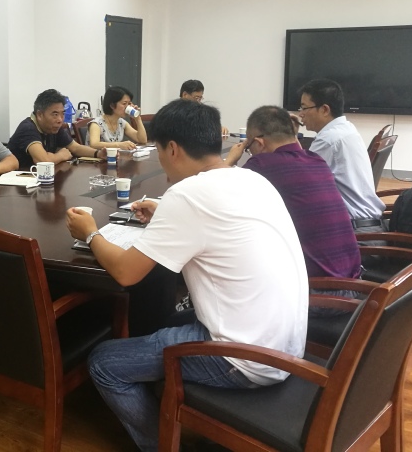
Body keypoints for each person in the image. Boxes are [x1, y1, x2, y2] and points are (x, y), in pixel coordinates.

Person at [66, 100, 307, 452]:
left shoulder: (187, 195)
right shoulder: (251, 178)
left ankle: (162, 445)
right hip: (285, 344)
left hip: (243, 359)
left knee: (104, 363)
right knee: (159, 322)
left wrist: (90, 233)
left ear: (173, 149)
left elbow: (125, 273)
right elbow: (214, 222)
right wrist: (166, 213)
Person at [225, 106, 361, 313]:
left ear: (259, 143)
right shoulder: (317, 160)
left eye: (248, 147)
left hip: (319, 296)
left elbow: (219, 196)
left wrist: (229, 162)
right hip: (354, 286)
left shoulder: (262, 165)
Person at [298, 79, 385, 234]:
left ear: (324, 109)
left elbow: (300, 182)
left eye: (304, 108)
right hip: (370, 225)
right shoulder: (346, 128)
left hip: (356, 234)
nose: (300, 114)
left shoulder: (328, 140)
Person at [8, 89, 105, 167]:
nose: (60, 120)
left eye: (62, 114)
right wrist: (61, 155)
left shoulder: (53, 127)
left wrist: (98, 153)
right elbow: (43, 161)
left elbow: (75, 148)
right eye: (55, 114)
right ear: (39, 115)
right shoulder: (28, 128)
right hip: (19, 182)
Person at [87, 86, 147, 150]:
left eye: (129, 103)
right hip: (97, 156)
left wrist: (137, 119)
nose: (127, 107)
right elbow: (94, 144)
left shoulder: (121, 123)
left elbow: (142, 140)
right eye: (124, 103)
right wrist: (119, 145)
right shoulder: (96, 124)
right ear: (112, 105)